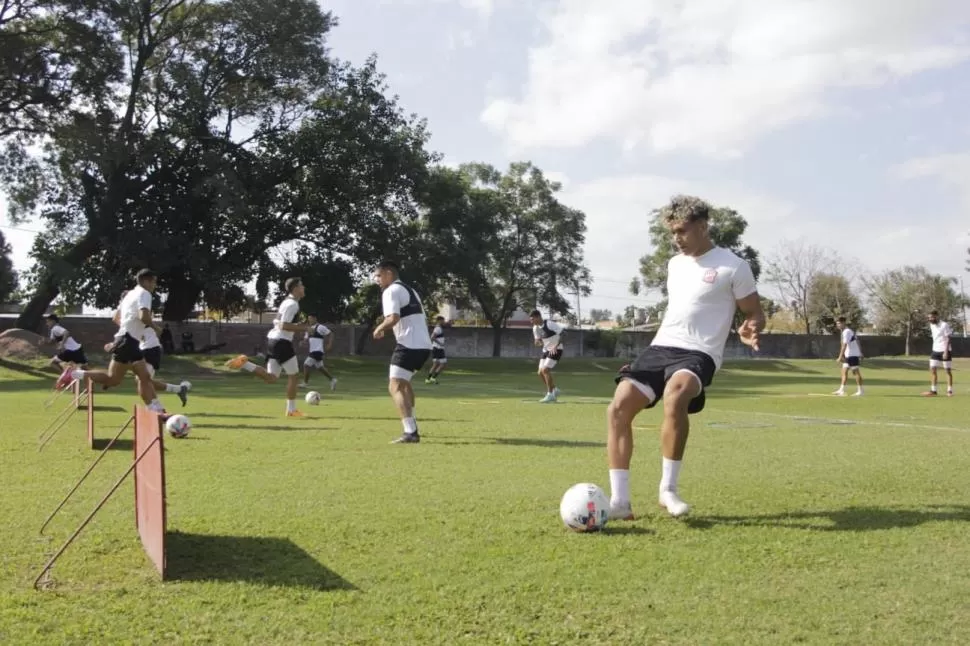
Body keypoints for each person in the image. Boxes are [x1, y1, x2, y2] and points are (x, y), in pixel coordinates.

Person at [604, 196, 764, 520]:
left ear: (703, 227)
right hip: (661, 346)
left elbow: (755, 312)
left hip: (700, 351)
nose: (676, 238)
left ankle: (668, 490)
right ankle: (620, 503)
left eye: (682, 231)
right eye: (672, 233)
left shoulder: (733, 266)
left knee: (676, 395)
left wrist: (751, 327)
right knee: (618, 406)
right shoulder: (674, 265)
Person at [54, 269, 169, 417]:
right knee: (127, 378)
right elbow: (144, 316)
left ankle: (157, 410)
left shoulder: (129, 295)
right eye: (154, 282)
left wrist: (131, 331)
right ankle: (74, 373)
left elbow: (116, 317)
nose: (155, 285)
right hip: (128, 341)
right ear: (146, 281)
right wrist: (155, 327)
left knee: (131, 378)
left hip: (126, 340)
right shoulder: (145, 293)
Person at [225, 277, 311, 417]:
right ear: (295, 288)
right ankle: (291, 410)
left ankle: (244, 364)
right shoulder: (292, 305)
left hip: (273, 341)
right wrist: (304, 328)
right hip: (282, 342)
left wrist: (298, 326)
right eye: (301, 285)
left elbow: (280, 323)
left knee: (271, 378)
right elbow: (284, 325)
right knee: (294, 376)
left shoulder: (286, 303)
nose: (304, 288)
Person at [372, 260, 432, 444]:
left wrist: (379, 328)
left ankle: (410, 432)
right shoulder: (410, 290)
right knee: (404, 384)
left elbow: (393, 317)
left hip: (409, 344)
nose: (377, 280)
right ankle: (412, 425)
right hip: (423, 346)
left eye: (379, 275)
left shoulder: (391, 290)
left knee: (395, 385)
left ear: (389, 273)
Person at [140, 324, 191, 407]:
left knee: (144, 381)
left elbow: (156, 328)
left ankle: (156, 409)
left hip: (149, 349)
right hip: (144, 349)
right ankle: (178, 389)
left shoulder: (141, 315)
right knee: (144, 381)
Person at [530, 310, 564, 403]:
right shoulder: (535, 328)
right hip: (546, 350)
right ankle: (554, 390)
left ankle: (550, 394)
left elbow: (563, 334)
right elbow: (537, 340)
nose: (531, 321)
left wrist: (555, 346)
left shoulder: (549, 324)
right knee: (540, 372)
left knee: (545, 370)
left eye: (532, 319)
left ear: (538, 317)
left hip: (556, 349)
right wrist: (537, 342)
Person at [301, 314, 337, 391]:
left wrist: (329, 344)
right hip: (312, 350)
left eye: (311, 319)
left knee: (306, 365)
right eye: (308, 319)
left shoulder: (320, 327)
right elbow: (306, 339)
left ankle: (305, 383)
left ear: (315, 319)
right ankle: (332, 380)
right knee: (320, 367)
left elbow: (330, 334)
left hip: (318, 350)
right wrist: (303, 342)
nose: (310, 320)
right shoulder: (309, 329)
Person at [925, 310, 954, 397]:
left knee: (947, 371)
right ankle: (933, 390)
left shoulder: (944, 325)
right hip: (935, 350)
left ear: (937, 316)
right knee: (932, 369)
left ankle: (949, 391)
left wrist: (945, 352)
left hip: (945, 350)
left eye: (932, 317)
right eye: (929, 318)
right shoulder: (931, 325)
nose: (930, 319)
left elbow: (949, 338)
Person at [833, 316, 864, 396]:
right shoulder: (848, 331)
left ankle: (860, 391)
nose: (838, 325)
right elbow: (857, 341)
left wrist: (840, 356)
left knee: (855, 372)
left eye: (839, 323)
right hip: (849, 354)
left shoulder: (846, 331)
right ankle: (841, 390)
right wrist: (860, 352)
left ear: (843, 323)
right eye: (837, 324)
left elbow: (844, 345)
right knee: (844, 371)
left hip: (852, 355)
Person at [425, 316, 447, 384]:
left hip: (437, 348)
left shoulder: (438, 328)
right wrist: (440, 343)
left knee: (437, 364)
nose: (444, 322)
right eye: (443, 320)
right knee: (441, 364)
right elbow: (432, 337)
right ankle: (431, 378)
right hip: (438, 348)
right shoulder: (438, 328)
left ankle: (429, 379)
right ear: (439, 321)